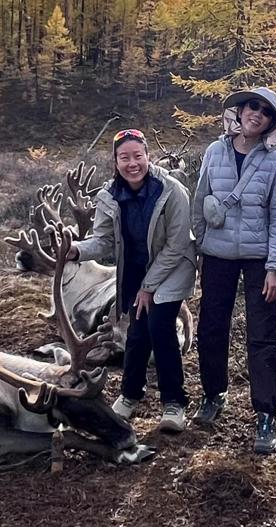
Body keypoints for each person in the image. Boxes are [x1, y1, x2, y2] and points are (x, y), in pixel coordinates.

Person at [67, 129, 196, 433]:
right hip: (136, 270)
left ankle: (174, 402)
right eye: (124, 157)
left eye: (138, 156)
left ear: (148, 157)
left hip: (173, 267)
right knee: (136, 333)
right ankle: (130, 394)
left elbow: (177, 245)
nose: (132, 163)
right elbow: (102, 242)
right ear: (115, 161)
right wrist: (75, 250)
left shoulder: (172, 191)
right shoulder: (109, 196)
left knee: (160, 328)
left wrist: (149, 287)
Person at [191, 87, 276, 454]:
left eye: (266, 112)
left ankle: (266, 415)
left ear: (271, 123)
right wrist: (199, 251)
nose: (257, 114)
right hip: (217, 256)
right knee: (211, 328)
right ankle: (213, 394)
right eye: (253, 106)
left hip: (258, 260)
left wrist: (275, 268)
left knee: (263, 336)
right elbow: (200, 202)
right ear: (240, 110)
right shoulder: (214, 152)